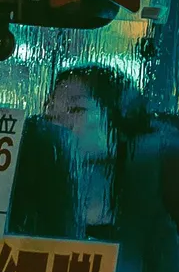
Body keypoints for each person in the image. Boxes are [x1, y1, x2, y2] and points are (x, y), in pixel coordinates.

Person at [41, 63, 150, 233]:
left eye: (75, 109)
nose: (55, 121)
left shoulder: (153, 222)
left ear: (120, 124)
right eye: (50, 110)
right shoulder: (29, 209)